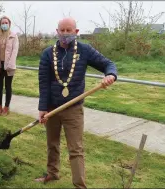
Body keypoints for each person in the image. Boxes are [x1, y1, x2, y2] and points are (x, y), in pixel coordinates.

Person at [34, 17, 117, 188]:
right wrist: (43, 108)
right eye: (62, 30)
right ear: (57, 32)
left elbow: (108, 64)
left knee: (76, 149)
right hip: (52, 108)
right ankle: (52, 174)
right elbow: (44, 83)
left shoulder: (85, 50)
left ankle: (79, 185)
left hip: (74, 109)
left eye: (68, 30)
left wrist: (110, 75)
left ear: (76, 32)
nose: (65, 34)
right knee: (52, 144)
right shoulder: (48, 54)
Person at [0, 16, 19, 116]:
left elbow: (15, 52)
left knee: (8, 87)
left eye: (6, 23)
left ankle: (6, 107)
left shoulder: (14, 36)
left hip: (9, 66)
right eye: (3, 23)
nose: (4, 25)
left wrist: (10, 65)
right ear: (0, 24)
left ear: (9, 24)